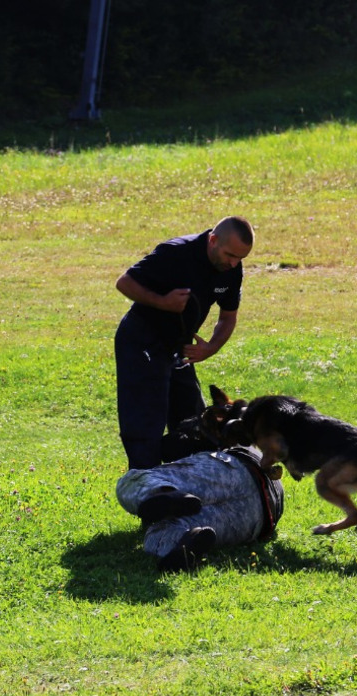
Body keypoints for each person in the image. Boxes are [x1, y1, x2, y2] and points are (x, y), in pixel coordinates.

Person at [114, 216, 254, 470]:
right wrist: (162, 302)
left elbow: (228, 317)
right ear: (213, 240)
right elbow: (124, 282)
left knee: (196, 421)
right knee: (146, 421)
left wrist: (211, 347)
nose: (234, 264)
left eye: (240, 259)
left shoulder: (231, 270)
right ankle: (148, 488)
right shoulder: (176, 253)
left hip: (178, 347)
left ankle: (192, 485)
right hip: (141, 341)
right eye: (230, 255)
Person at [116, 445, 285, 572]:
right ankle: (187, 539)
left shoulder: (228, 420)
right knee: (159, 531)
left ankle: (164, 492)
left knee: (129, 482)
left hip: (234, 467)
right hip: (259, 515)